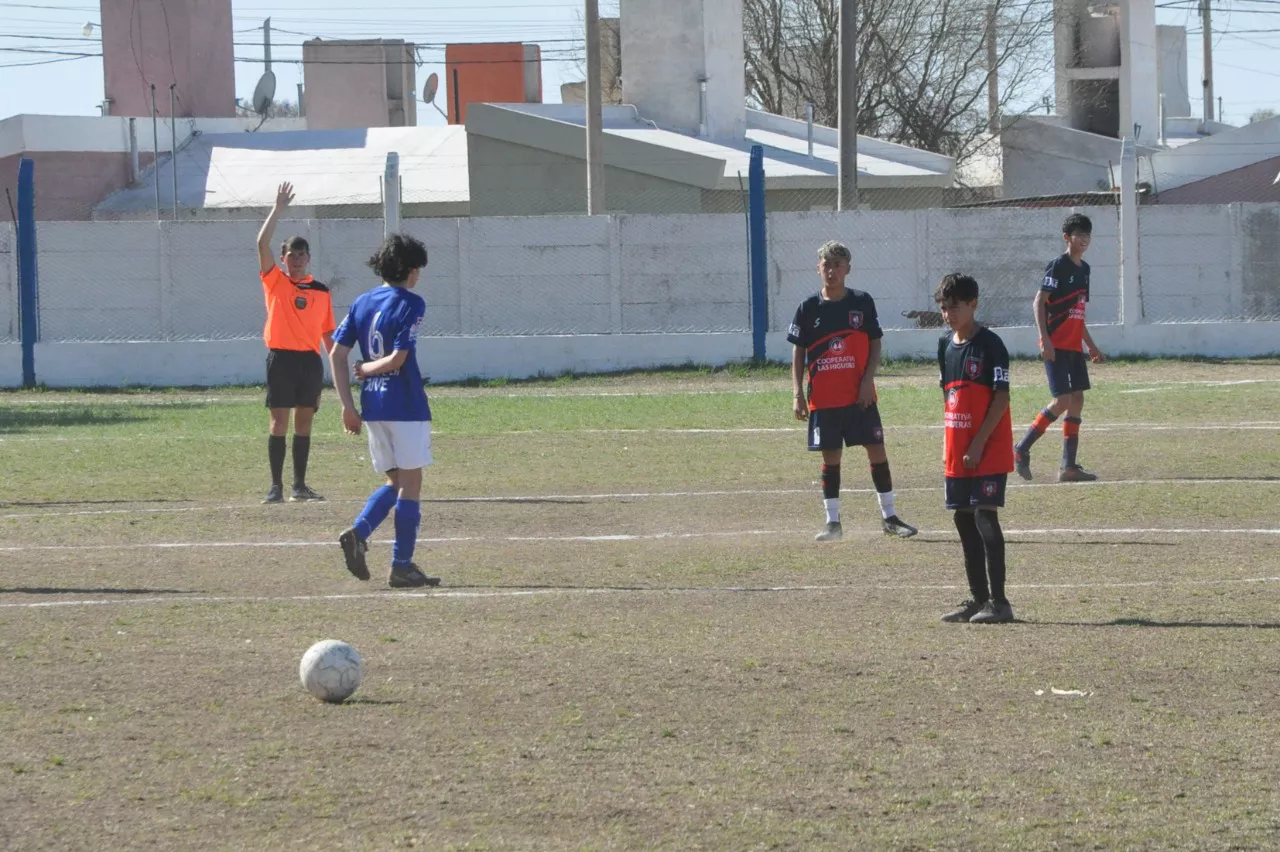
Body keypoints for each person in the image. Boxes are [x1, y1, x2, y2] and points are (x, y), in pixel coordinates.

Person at [788, 240, 918, 542]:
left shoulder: (861, 302)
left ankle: (889, 517)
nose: (831, 270)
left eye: (837, 265)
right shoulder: (808, 309)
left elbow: (875, 344)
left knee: (877, 451)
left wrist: (867, 382)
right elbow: (798, 353)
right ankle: (832, 522)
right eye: (826, 265)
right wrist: (797, 393)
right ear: (818, 267)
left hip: (860, 397)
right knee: (831, 457)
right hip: (824, 399)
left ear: (847, 269)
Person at [330, 234, 440, 589]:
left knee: (395, 481)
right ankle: (401, 565)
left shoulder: (362, 302)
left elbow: (335, 354)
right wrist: (369, 368)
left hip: (373, 405)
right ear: (410, 270)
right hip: (405, 403)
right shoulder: (412, 303)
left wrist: (347, 406)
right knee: (411, 483)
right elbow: (398, 357)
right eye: (418, 269)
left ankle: (360, 533)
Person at [935, 274, 1015, 624]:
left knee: (984, 516)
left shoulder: (991, 345)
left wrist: (980, 441)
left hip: (988, 448)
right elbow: (948, 396)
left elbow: (1001, 397)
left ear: (974, 304)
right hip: (959, 450)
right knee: (963, 519)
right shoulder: (944, 346)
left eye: (955, 306)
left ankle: (999, 602)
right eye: (943, 307)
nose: (948, 313)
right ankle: (977, 598)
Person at [256, 181, 335, 503]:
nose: (297, 259)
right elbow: (261, 244)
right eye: (292, 255)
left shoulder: (321, 291)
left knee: (305, 422)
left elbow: (328, 333)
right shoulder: (276, 282)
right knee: (279, 421)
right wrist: (278, 210)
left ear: (309, 258)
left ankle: (299, 486)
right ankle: (275, 486)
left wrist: (338, 364)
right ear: (284, 259)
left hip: (309, 361)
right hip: (282, 359)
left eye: (302, 255)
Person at [1014, 212, 1106, 483]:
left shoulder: (1085, 270)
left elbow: (1078, 312)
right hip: (1056, 345)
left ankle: (1068, 467)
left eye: (1087, 235)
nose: (1084, 239)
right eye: (1079, 235)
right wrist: (1045, 339)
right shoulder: (1058, 266)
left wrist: (1091, 346)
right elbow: (1039, 302)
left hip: (1074, 348)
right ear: (1067, 238)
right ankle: (1021, 448)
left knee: (1077, 400)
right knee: (1062, 400)